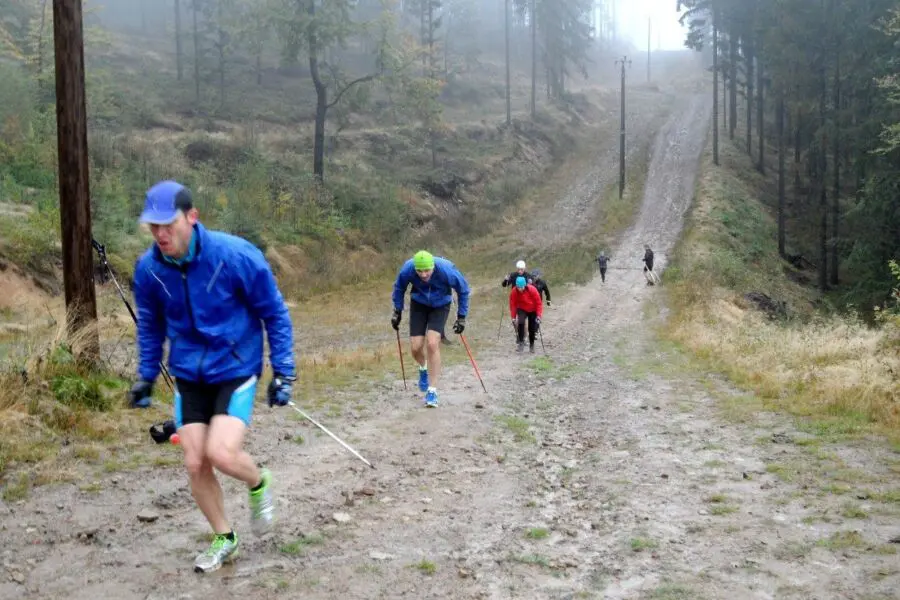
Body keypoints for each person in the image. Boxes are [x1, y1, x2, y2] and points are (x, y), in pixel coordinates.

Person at [128, 180, 297, 574]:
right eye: (153, 227)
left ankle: (258, 482)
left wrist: (284, 371)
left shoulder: (235, 255)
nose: (160, 234)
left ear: (192, 217)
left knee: (221, 454)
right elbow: (150, 325)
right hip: (189, 371)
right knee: (194, 461)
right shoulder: (149, 270)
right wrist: (146, 376)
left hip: (235, 365)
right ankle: (225, 537)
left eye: (168, 224)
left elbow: (274, 312)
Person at [391, 250, 470, 407]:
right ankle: (423, 367)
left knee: (432, 344)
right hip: (419, 304)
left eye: (427, 270)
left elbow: (463, 290)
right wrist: (397, 311)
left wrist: (461, 317)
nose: (424, 274)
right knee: (415, 347)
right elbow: (399, 287)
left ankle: (432, 391)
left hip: (441, 305)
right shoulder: (408, 268)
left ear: (433, 266)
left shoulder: (446, 269)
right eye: (419, 271)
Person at [508, 275, 543, 353]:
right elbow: (513, 304)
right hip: (521, 308)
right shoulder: (514, 291)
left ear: (525, 285)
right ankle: (521, 343)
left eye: (521, 287)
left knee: (532, 327)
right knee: (520, 323)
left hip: (532, 309)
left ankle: (532, 345)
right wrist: (513, 317)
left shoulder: (532, 290)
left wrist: (538, 315)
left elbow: (538, 303)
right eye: (518, 287)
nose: (520, 289)